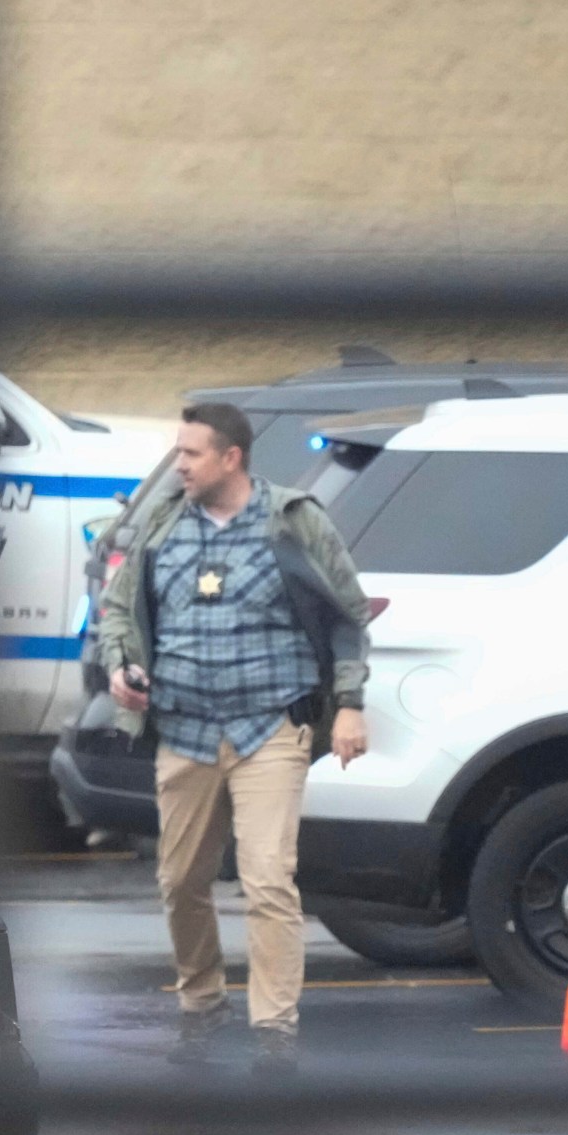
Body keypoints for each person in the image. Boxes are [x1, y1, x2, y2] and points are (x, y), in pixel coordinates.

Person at [93, 401, 371, 1077]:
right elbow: (119, 612)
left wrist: (349, 705)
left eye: (190, 454)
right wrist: (120, 669)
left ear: (230, 458)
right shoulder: (161, 522)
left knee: (268, 879)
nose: (179, 465)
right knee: (181, 879)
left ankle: (275, 1029)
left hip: (269, 725)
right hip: (183, 728)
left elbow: (346, 615)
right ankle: (202, 1003)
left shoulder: (293, 520)